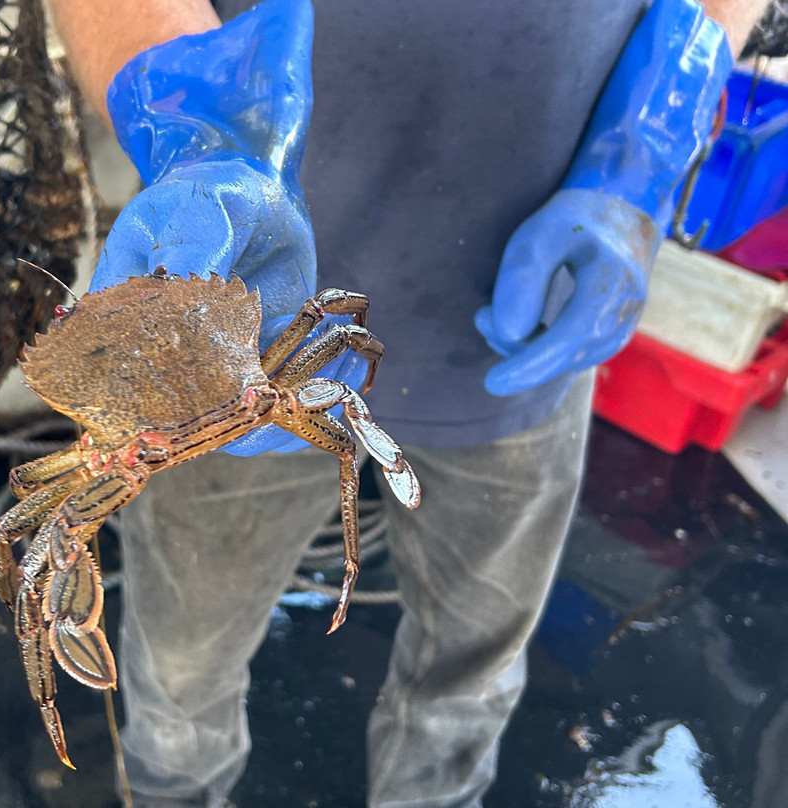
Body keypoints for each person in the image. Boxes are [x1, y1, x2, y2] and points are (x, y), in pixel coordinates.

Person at [46, 0, 767, 805]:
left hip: (525, 329)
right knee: (180, 665)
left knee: (475, 667)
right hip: (232, 299)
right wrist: (193, 127)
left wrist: (653, 129)